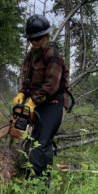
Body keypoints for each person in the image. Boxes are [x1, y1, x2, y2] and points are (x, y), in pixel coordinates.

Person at [13, 14, 70, 181]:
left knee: (41, 142)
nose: (35, 42)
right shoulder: (31, 56)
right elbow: (28, 81)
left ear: (46, 35)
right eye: (31, 39)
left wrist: (32, 101)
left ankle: (40, 186)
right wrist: (22, 93)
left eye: (38, 38)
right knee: (30, 139)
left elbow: (51, 85)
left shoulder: (52, 54)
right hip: (37, 103)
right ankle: (29, 175)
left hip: (53, 102)